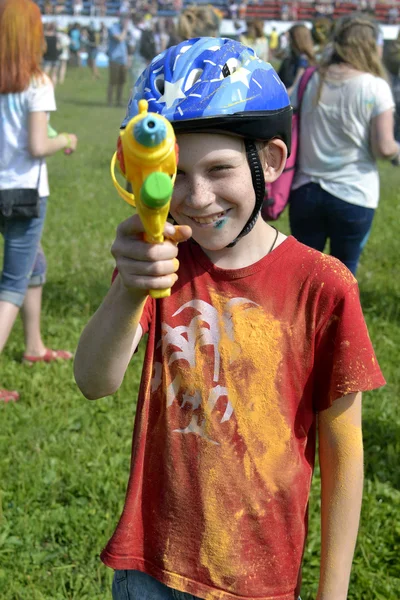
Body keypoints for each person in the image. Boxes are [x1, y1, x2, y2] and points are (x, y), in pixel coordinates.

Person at [75, 37, 385, 600]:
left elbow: (343, 448)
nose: (196, 197)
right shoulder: (160, 260)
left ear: (269, 161)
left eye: (219, 169)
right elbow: (95, 382)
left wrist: (333, 591)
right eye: (176, 174)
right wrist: (128, 291)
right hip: (150, 568)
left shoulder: (323, 285)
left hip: (260, 575)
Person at [0, 0, 78, 403]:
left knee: (35, 263)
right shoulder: (35, 81)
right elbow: (35, 144)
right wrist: (64, 140)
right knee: (12, 284)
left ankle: (33, 347)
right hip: (23, 195)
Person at [289, 13, 400, 276]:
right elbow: (384, 147)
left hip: (305, 191)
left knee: (304, 276)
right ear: (371, 45)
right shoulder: (375, 87)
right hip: (354, 193)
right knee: (344, 275)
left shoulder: (311, 78)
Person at [278, 23, 316, 94]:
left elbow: (296, 87)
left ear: (296, 40)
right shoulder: (291, 58)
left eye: (290, 39)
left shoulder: (303, 60)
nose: (289, 42)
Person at [107, 12, 131, 107]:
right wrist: (125, 29)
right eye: (125, 19)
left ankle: (119, 100)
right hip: (115, 58)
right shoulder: (114, 27)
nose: (126, 21)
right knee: (113, 81)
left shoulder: (125, 30)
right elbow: (120, 38)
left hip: (123, 59)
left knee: (122, 81)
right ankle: (110, 101)